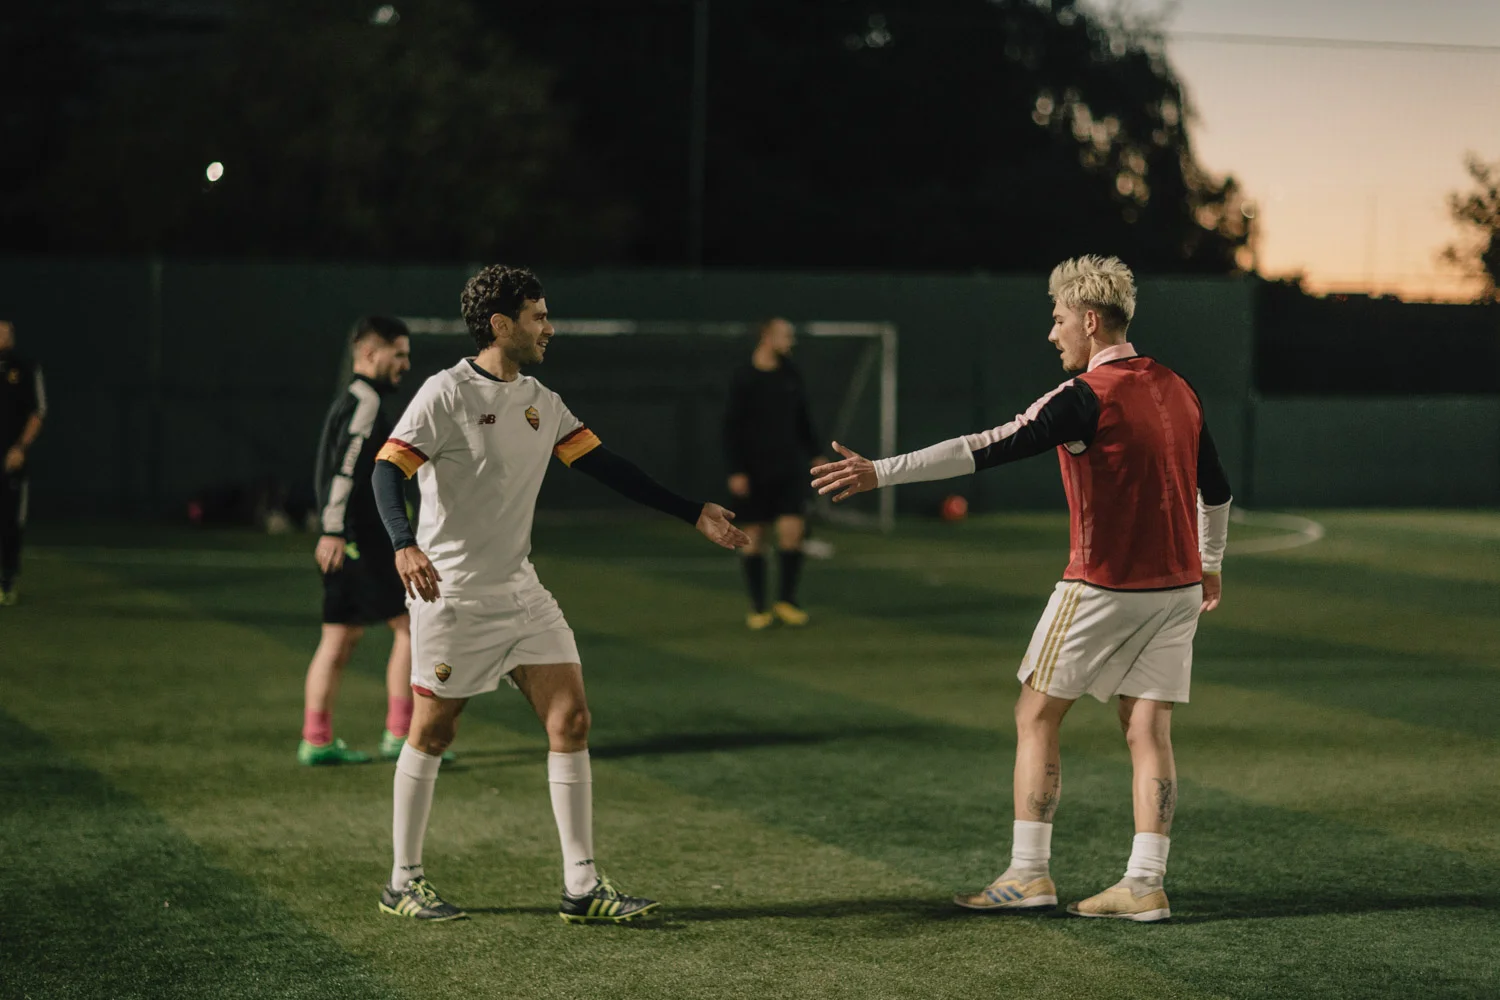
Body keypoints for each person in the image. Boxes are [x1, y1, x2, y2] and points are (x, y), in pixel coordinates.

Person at [812, 256, 1232, 922]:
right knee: (1148, 729)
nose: (1052, 332)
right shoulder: (1179, 387)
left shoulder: (1084, 397)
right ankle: (1145, 883)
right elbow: (1218, 487)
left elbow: (986, 445)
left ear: (1090, 321)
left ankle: (1029, 874)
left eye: (1059, 317)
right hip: (1177, 589)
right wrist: (1210, 563)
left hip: (1103, 586)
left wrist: (879, 472)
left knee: (1035, 716)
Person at [371, 265, 747, 923]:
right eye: (539, 316)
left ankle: (581, 885)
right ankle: (403, 881)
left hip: (521, 591)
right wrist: (404, 543)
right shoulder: (445, 392)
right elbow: (387, 468)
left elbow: (609, 467)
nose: (550, 327)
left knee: (571, 718)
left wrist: (692, 512)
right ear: (501, 325)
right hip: (452, 596)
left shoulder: (542, 399)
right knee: (433, 732)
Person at [299, 317, 420, 766]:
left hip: (343, 539)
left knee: (340, 637)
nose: (405, 364)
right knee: (411, 627)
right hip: (359, 541)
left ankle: (316, 739)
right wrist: (333, 530)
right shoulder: (366, 404)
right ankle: (400, 736)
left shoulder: (348, 401)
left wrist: (330, 530)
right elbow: (346, 471)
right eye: (399, 354)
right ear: (370, 354)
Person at [722, 317, 823, 629]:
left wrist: (816, 453)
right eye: (785, 335)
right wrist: (736, 469)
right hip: (753, 470)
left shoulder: (791, 374)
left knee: (793, 531)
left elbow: (802, 418)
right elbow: (731, 428)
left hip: (789, 467)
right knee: (754, 538)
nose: (790, 341)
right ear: (766, 336)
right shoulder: (744, 377)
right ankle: (758, 607)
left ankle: (786, 601)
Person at [0, 320, 45, 607]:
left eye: (5, 331)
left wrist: (20, 447)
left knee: (10, 523)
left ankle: (7, 581)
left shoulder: (25, 368)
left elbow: (37, 411)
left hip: (10, 460)